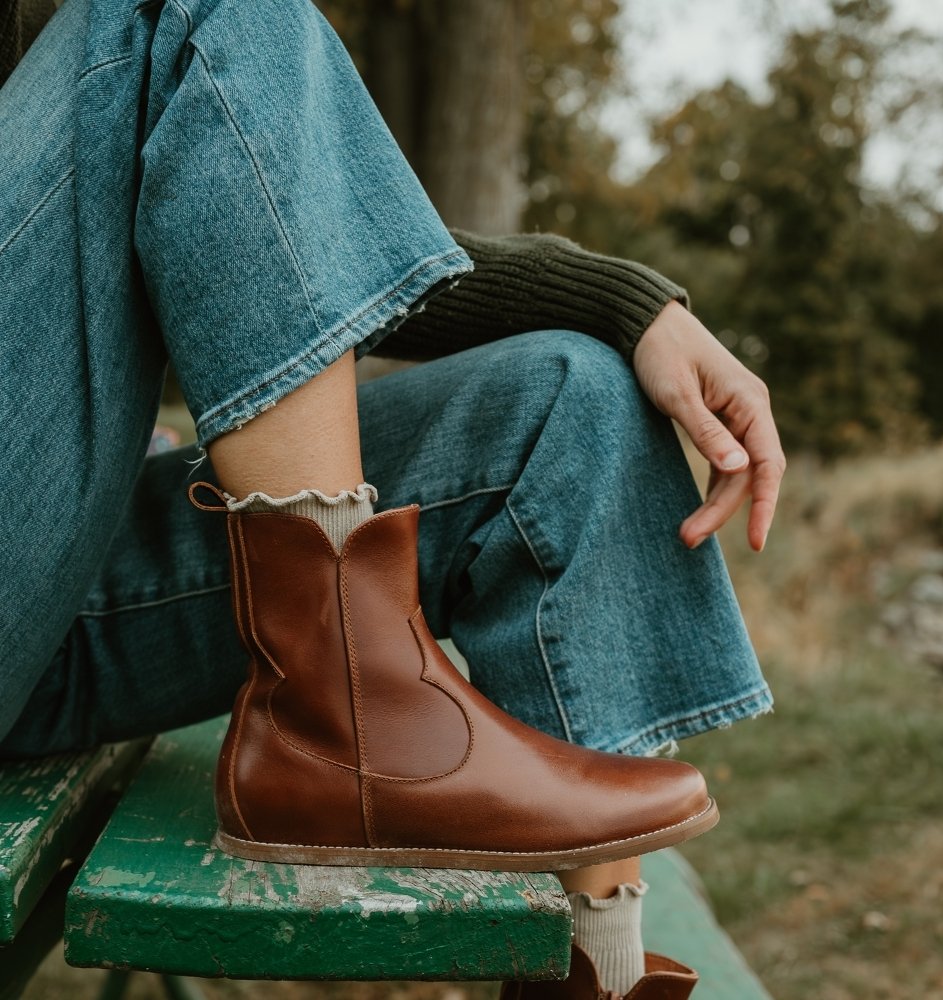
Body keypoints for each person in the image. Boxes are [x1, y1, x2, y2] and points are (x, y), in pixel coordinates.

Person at [0, 0, 784, 996]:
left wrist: (626, 305)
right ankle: (343, 721)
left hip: (60, 575)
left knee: (566, 390)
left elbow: (275, 220)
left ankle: (601, 967)